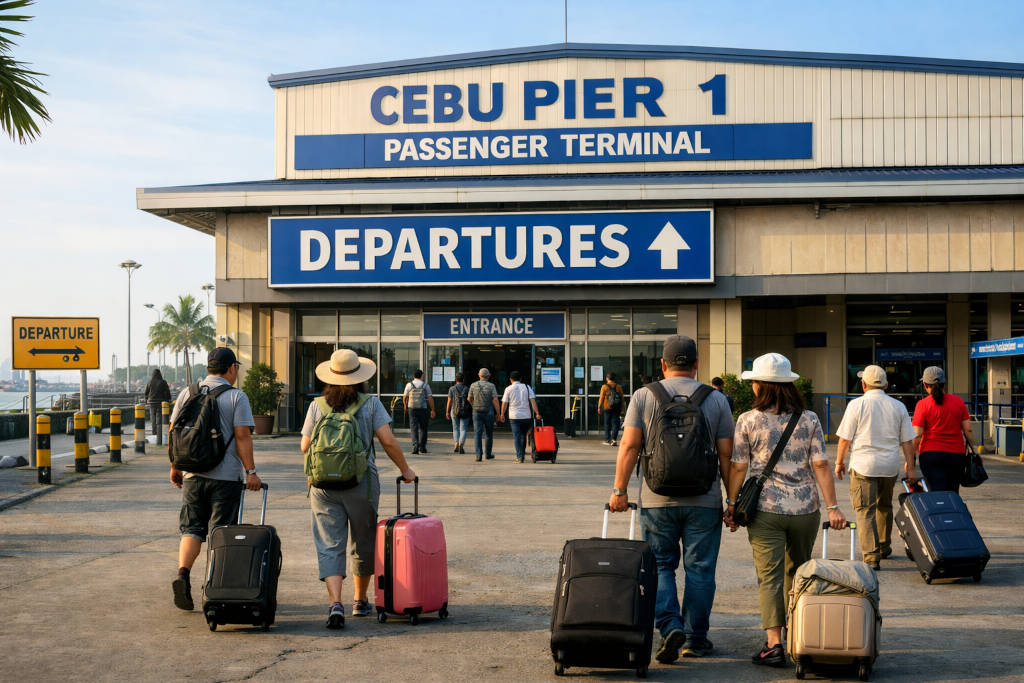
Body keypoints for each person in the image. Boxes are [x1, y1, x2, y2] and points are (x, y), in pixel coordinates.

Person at [609, 335, 735, 664]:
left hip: (656, 498)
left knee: (661, 565)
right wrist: (731, 500)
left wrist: (619, 491)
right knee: (701, 570)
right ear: (696, 364)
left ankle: (669, 626)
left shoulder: (644, 395)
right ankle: (695, 639)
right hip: (704, 499)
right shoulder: (716, 399)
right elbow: (727, 455)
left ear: (663, 364)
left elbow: (630, 446)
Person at [724, 352, 846, 668]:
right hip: (806, 510)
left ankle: (774, 644)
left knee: (770, 578)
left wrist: (732, 504)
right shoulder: (809, 419)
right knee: (800, 572)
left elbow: (738, 466)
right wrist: (833, 507)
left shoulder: (747, 420)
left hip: (765, 510)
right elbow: (821, 465)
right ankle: (799, 633)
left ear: (761, 385)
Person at [301, 349, 416, 629]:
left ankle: (335, 603)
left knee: (330, 543)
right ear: (361, 378)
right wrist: (405, 470)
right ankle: (359, 600)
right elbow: (387, 441)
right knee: (362, 540)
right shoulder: (371, 404)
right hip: (361, 482)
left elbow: (305, 446)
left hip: (322, 486)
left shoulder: (317, 405)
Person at [169, 347, 260, 612]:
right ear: (231, 368)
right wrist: (251, 472)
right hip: (226, 478)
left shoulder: (188, 392)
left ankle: (183, 574)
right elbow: (242, 436)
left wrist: (175, 466)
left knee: (192, 529)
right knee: (221, 533)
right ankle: (215, 587)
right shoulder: (236, 396)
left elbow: (174, 431)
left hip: (192, 474)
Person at [833, 365, 917, 570]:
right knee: (884, 506)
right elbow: (907, 441)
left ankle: (871, 557)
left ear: (863, 385)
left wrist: (839, 462)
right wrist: (911, 468)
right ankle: (884, 547)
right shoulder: (898, 406)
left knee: (865, 510)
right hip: (889, 467)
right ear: (886, 385)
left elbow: (845, 439)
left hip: (863, 466)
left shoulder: (856, 405)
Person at [912, 366, 972, 492]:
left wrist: (911, 459)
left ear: (925, 384)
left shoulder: (922, 405)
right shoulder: (959, 402)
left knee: (935, 493)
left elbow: (917, 435)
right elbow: (968, 430)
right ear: (944, 383)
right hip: (956, 455)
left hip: (930, 455)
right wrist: (974, 450)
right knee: (952, 492)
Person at [500, 370, 541, 463]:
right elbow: (533, 401)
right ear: (520, 379)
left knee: (517, 436)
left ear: (510, 379)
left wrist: (502, 414)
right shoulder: (527, 387)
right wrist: (537, 413)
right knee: (523, 435)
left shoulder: (508, 389)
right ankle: (521, 454)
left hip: (514, 416)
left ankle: (519, 457)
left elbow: (504, 403)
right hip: (526, 415)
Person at [468, 368, 501, 462]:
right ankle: (488, 454)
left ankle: (478, 455)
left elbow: (469, 398)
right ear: (488, 376)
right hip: (488, 411)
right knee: (489, 434)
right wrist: (498, 413)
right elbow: (495, 400)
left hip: (476, 412)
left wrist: (474, 405)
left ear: (479, 375)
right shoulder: (491, 386)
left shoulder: (473, 385)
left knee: (477, 434)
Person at [403, 369, 435, 454]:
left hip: (412, 408)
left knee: (413, 428)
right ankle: (422, 447)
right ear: (421, 376)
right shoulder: (425, 385)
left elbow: (405, 397)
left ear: (414, 376)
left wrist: (405, 405)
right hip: (423, 409)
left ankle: (415, 445)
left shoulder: (409, 385)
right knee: (423, 428)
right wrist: (433, 409)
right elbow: (430, 398)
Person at [446, 372, 471, 454]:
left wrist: (447, 411)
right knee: (463, 429)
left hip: (454, 410)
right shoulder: (467, 389)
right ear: (463, 380)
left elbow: (449, 401)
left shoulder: (452, 389)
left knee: (455, 428)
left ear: (455, 379)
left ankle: (456, 442)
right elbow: (470, 399)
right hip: (465, 411)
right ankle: (461, 444)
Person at [598, 372, 625, 446]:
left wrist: (599, 407)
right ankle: (613, 439)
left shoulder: (604, 387)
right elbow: (622, 399)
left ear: (607, 378)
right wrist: (622, 408)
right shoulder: (619, 386)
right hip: (617, 408)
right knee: (615, 424)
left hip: (607, 407)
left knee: (607, 424)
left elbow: (601, 398)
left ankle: (608, 439)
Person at [145, 368, 171, 436]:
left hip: (151, 402)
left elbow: (146, 393)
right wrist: (168, 399)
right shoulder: (163, 382)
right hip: (160, 402)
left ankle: (154, 432)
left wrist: (147, 399)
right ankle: (159, 432)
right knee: (159, 417)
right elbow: (167, 392)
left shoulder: (150, 382)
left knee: (153, 418)